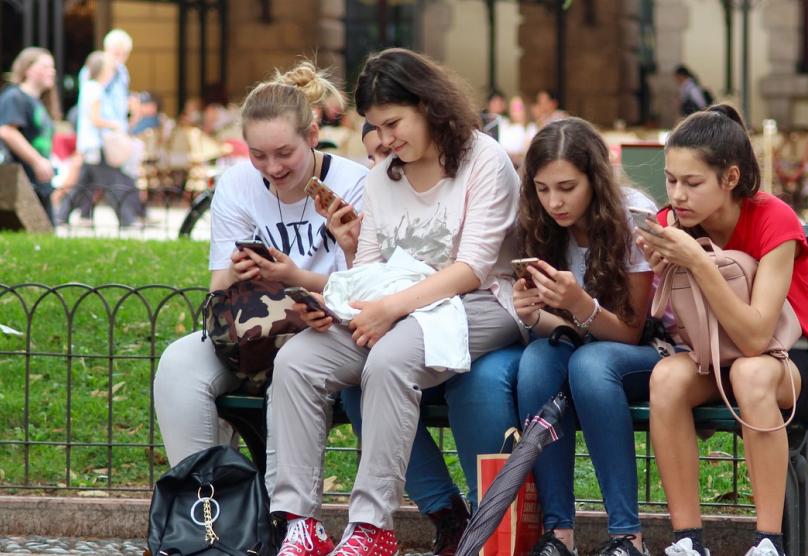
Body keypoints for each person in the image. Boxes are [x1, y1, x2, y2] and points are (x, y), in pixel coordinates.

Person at [268, 48, 522, 556]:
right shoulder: (383, 177)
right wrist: (339, 306)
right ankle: (299, 522)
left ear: (429, 105)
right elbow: (368, 269)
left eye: (392, 124)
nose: (382, 141)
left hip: (482, 301)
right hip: (399, 308)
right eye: (375, 128)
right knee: (297, 361)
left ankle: (372, 527)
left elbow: (472, 268)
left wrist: (392, 308)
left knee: (389, 358)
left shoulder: (482, 160)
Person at [152, 60, 368, 530]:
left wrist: (300, 277)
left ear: (313, 135)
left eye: (284, 153)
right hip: (257, 331)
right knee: (178, 367)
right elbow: (219, 297)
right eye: (258, 156)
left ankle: (283, 521)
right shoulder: (236, 185)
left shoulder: (356, 183)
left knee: (297, 363)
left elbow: (372, 290)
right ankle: (211, 522)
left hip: (334, 330)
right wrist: (238, 271)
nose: (272, 169)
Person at [639, 105, 808, 556]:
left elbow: (757, 338)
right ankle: (687, 541)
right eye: (671, 180)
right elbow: (657, 319)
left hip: (805, 360)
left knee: (751, 373)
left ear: (730, 178)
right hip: (719, 358)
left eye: (692, 183)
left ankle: (767, 543)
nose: (677, 195)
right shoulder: (670, 225)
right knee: (667, 378)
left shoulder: (773, 219)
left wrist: (696, 261)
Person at [512, 118, 668, 556]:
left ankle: (627, 536)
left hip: (643, 354)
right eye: (542, 189)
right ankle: (557, 533)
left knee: (591, 363)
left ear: (594, 179)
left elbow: (632, 330)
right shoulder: (539, 223)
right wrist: (531, 315)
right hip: (578, 347)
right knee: (538, 361)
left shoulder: (632, 215)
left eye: (566, 187)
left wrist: (580, 304)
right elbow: (559, 330)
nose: (554, 202)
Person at [58, 51, 143, 228]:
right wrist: (114, 125)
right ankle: (126, 219)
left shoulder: (89, 87)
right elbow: (95, 119)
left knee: (84, 182)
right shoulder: (96, 89)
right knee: (112, 181)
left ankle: (62, 214)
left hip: (89, 145)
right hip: (96, 144)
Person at [0, 47, 60, 222]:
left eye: (52, 67)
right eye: (45, 66)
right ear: (28, 69)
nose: (52, 71)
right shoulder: (15, 96)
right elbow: (6, 130)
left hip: (39, 182)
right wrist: (37, 161)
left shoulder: (39, 102)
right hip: (22, 183)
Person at [498, 95, 537, 168]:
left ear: (525, 108)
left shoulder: (531, 128)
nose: (514, 110)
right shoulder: (503, 124)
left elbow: (527, 151)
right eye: (511, 107)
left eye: (517, 107)